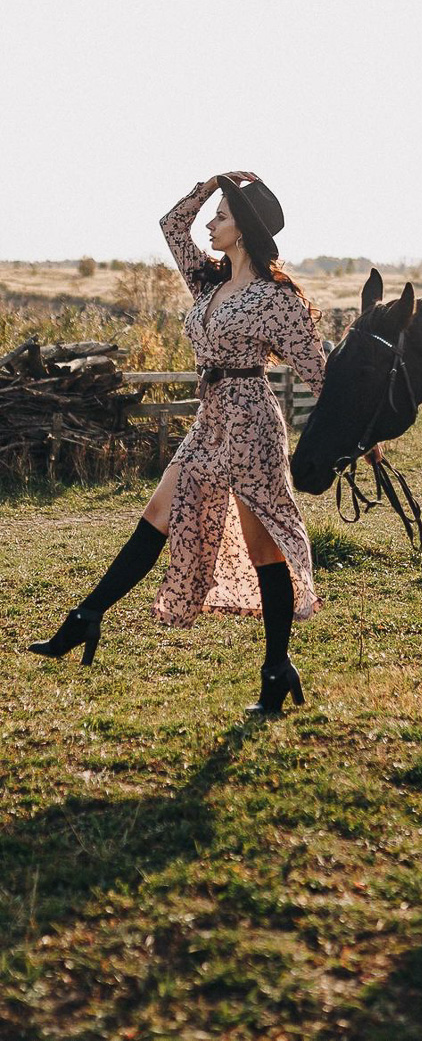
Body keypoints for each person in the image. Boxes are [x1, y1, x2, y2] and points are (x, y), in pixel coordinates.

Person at [29, 172, 330, 713]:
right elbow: (171, 225)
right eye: (212, 215)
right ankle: (86, 617)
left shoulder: (276, 298)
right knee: (156, 515)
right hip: (209, 420)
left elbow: (319, 372)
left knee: (264, 549)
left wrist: (367, 439)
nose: (210, 224)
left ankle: (276, 670)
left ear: (246, 229)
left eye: (221, 215)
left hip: (250, 425)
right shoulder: (209, 283)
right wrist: (207, 185)